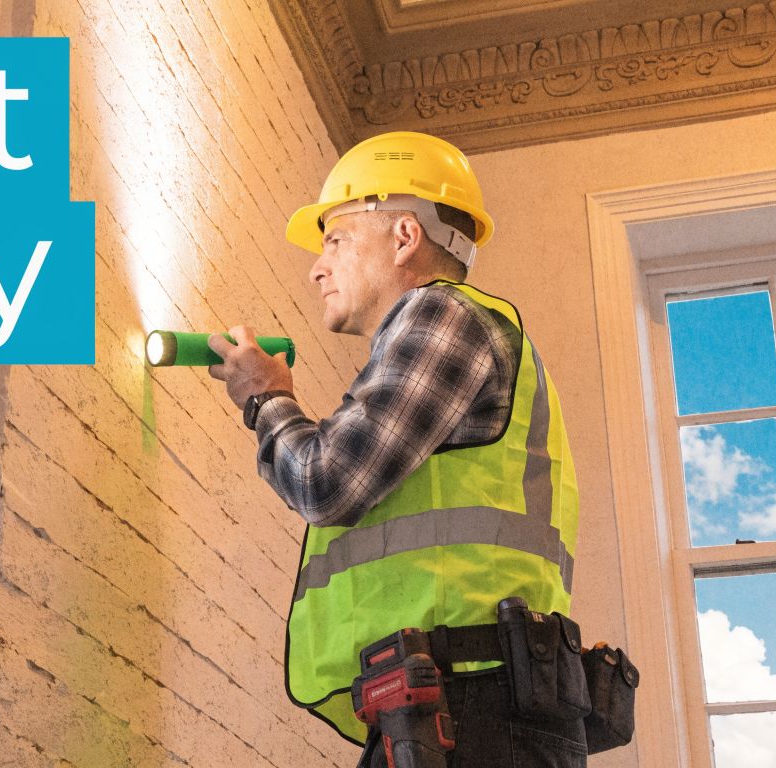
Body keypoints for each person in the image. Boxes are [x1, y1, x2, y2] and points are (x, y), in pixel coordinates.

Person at [206, 131, 584, 767]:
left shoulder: (444, 317)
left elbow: (328, 481)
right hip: (460, 703)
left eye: (336, 239)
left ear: (406, 237)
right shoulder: (462, 329)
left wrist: (265, 398)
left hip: (473, 708)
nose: (316, 267)